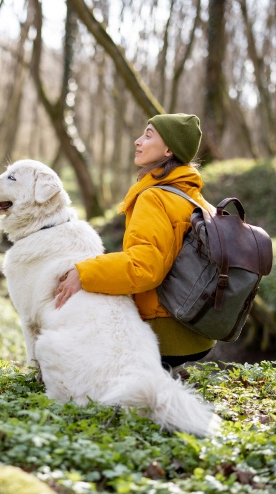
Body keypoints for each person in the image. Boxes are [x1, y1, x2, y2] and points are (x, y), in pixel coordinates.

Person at [55, 113, 216, 371]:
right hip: (199, 329)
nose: (137, 141)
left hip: (164, 332)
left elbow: (145, 268)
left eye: (148, 135)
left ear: (168, 150)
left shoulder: (155, 197)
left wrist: (84, 273)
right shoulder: (194, 197)